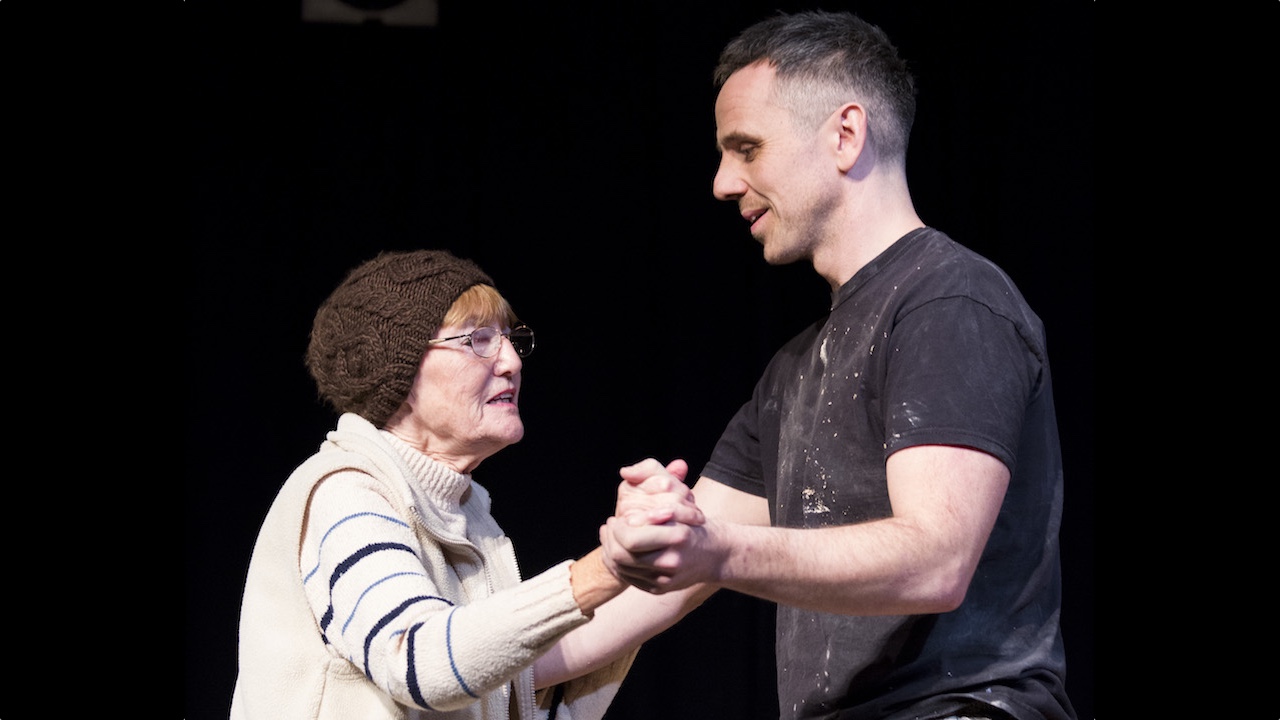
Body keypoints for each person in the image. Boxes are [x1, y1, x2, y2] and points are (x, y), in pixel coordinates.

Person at [598, 10, 1078, 720]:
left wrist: (716, 551)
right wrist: (465, 664)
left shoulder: (951, 301)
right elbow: (655, 589)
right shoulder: (790, 371)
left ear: (845, 135)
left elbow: (936, 561)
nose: (723, 182)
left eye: (747, 148)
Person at [230, 249, 700, 720]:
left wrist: (656, 537)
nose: (511, 361)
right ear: (400, 373)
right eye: (479, 340)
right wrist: (605, 568)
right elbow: (419, 660)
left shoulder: (466, 513)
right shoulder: (345, 492)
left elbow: (504, 683)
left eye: (510, 339)